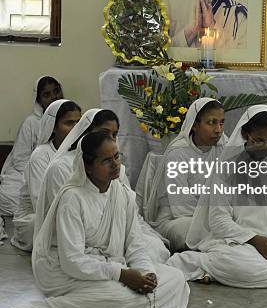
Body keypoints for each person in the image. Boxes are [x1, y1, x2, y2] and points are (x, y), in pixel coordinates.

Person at [8, 132, 189, 308]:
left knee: (176, 279)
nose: (115, 165)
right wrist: (121, 275)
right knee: (115, 295)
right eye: (106, 160)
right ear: (87, 166)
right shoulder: (72, 198)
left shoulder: (122, 194)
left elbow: (135, 245)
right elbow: (72, 261)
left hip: (112, 267)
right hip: (68, 271)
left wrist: (146, 275)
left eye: (117, 157)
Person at [168, 106, 267, 287]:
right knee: (243, 266)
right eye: (259, 140)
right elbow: (219, 220)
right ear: (245, 135)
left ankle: (245, 273)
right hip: (237, 244)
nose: (266, 146)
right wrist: (254, 240)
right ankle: (201, 262)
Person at [35, 108, 169, 264]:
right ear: (87, 132)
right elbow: (62, 219)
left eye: (114, 134)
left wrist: (129, 236)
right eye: (105, 133)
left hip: (116, 238)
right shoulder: (60, 168)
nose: (111, 139)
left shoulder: (118, 168)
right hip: (80, 240)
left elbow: (127, 210)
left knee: (154, 250)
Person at [145, 98, 227, 252]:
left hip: (213, 215)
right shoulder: (178, 153)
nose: (218, 130)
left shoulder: (222, 146)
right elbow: (181, 207)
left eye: (221, 123)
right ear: (195, 125)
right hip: (177, 218)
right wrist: (218, 217)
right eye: (211, 123)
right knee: (194, 232)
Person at [11, 100, 81, 251]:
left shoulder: (80, 152)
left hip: (72, 212)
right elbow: (40, 203)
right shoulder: (40, 156)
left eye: (79, 122)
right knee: (48, 228)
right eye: (69, 123)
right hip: (38, 217)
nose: (76, 129)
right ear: (54, 127)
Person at [0, 76, 63, 216]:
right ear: (38, 99)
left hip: (59, 172)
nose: (53, 97)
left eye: (56, 91)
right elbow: (20, 159)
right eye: (47, 95)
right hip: (29, 173)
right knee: (7, 195)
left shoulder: (69, 119)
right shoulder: (31, 123)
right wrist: (37, 175)